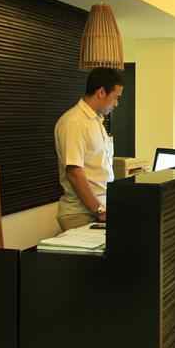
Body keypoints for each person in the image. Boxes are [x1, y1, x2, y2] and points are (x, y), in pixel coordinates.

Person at [54, 68, 123, 231]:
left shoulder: (95, 120)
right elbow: (74, 172)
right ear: (101, 92)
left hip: (97, 209)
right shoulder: (74, 122)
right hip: (82, 213)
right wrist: (99, 211)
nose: (116, 104)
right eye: (115, 97)